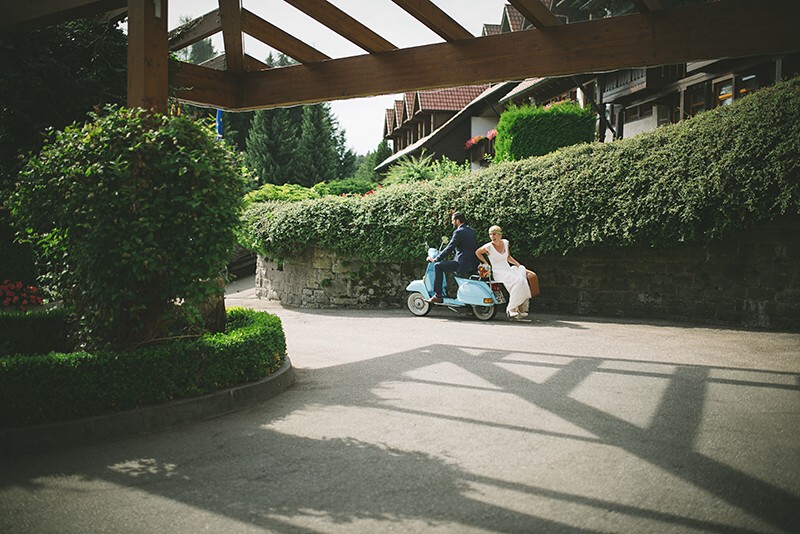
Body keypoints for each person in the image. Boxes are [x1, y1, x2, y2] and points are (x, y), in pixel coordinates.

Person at [475, 225, 536, 318]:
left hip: (507, 268)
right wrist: (486, 263)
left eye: (494, 234)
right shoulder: (488, 246)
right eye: (490, 234)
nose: (492, 237)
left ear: (500, 235)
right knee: (518, 281)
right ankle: (511, 308)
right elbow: (477, 252)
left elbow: (508, 257)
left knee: (522, 280)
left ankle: (518, 306)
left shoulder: (505, 243)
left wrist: (518, 265)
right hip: (498, 272)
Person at [426, 212, 479, 303]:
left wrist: (436, 259)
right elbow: (465, 246)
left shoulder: (458, 232)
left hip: (461, 264)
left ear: (457, 221)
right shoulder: (471, 231)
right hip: (473, 263)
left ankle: (438, 295)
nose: (452, 223)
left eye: (453, 220)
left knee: (438, 266)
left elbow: (450, 247)